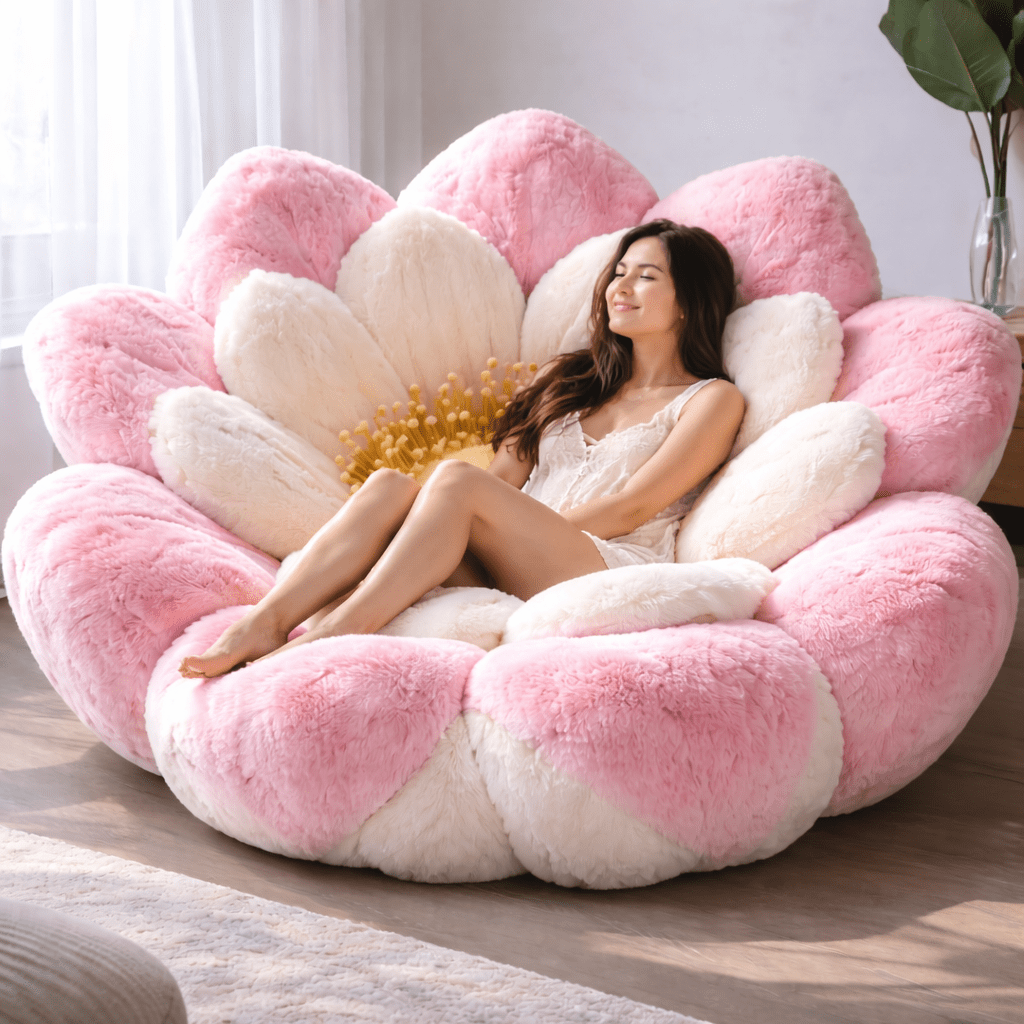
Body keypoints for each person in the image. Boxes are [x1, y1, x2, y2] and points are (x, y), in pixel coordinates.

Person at [179, 219, 746, 678]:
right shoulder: (568, 380)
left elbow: (634, 506)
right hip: (518, 558)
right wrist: (442, 524)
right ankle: (264, 622)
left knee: (456, 480)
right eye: (618, 273)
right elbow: (498, 483)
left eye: (645, 277)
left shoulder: (710, 399)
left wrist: (517, 527)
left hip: (605, 564)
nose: (619, 288)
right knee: (390, 486)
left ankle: (337, 631)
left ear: (688, 301)